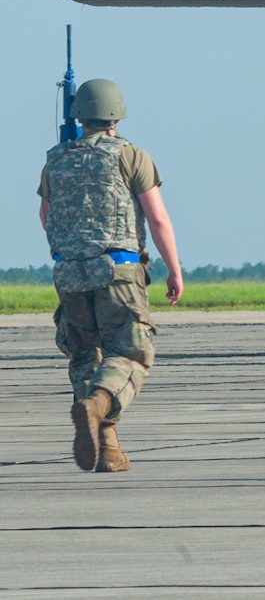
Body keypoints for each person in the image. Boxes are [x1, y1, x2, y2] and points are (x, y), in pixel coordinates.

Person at [39, 78, 184, 473]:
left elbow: (46, 217)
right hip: (118, 270)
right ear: (117, 115)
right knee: (131, 354)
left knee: (86, 355)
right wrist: (174, 269)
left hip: (69, 272)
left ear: (78, 115)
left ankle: (108, 448)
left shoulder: (55, 159)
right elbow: (156, 217)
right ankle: (98, 403)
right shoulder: (131, 156)